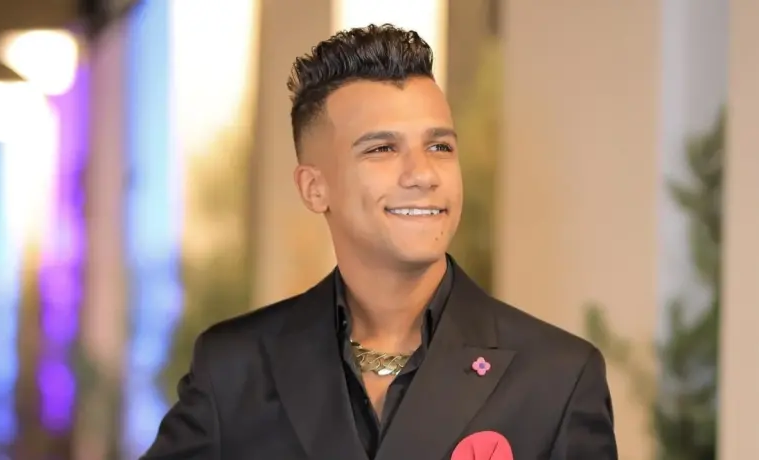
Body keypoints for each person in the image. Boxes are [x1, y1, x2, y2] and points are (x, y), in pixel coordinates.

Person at [142, 24, 618, 460]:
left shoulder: (557, 379)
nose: (423, 174)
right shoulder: (234, 369)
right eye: (382, 149)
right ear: (314, 188)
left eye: (439, 146)